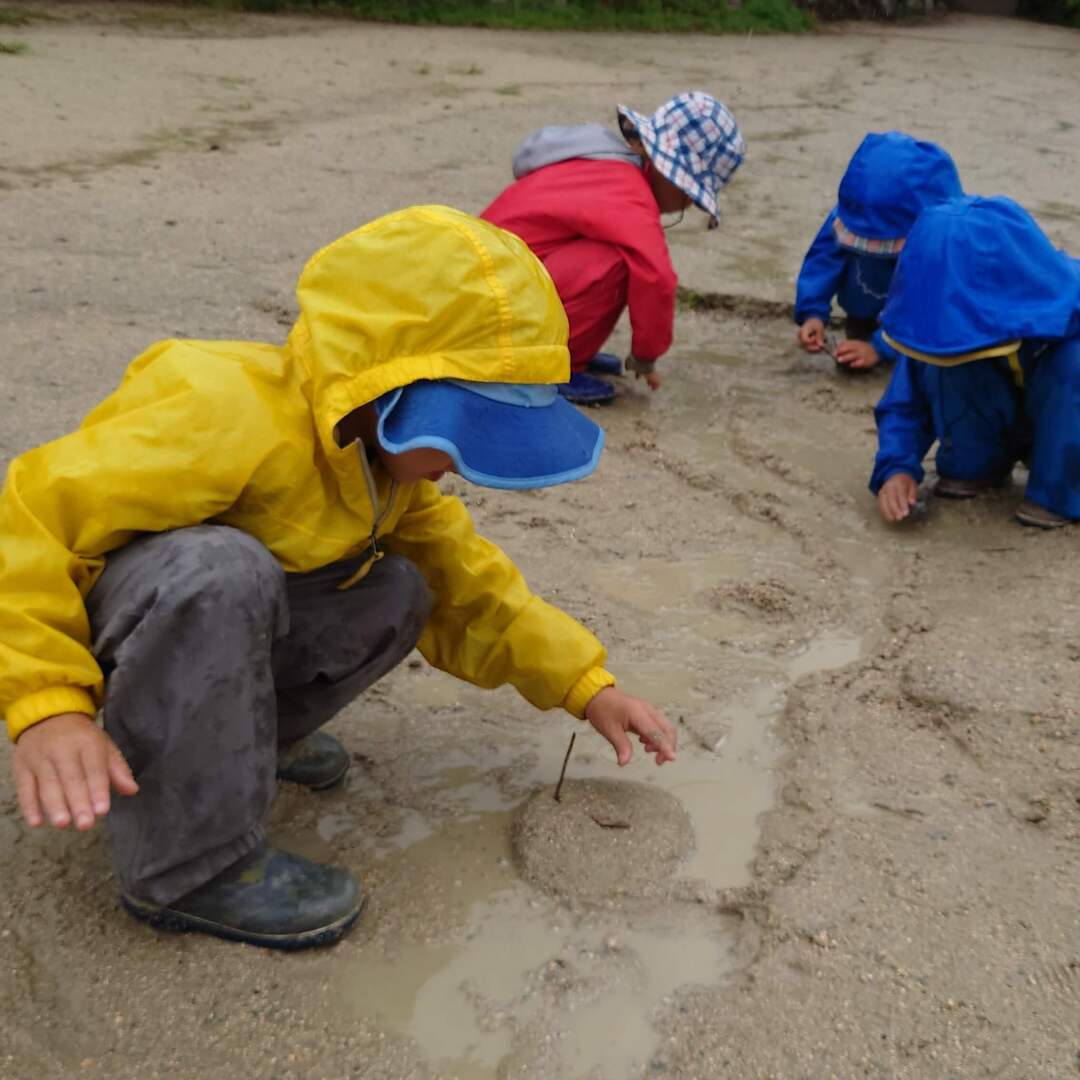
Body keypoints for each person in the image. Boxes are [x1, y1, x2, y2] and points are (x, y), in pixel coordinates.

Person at [1, 205, 678, 951]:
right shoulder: (225, 409)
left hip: (217, 632)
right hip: (137, 622)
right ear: (381, 391)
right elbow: (33, 517)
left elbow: (472, 585)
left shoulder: (384, 476)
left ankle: (244, 742)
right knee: (222, 569)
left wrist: (588, 687)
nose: (460, 462)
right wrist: (49, 705)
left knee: (404, 587)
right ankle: (184, 866)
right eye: (457, 432)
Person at [482, 90, 745, 405]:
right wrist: (646, 354)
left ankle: (561, 348)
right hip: (493, 307)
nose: (688, 203)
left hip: (486, 288)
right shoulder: (631, 194)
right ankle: (552, 367)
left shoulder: (606, 163)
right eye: (691, 194)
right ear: (665, 169)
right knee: (617, 262)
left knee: (611, 253)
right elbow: (657, 278)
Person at [870, 195, 1080, 529]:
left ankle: (1060, 492)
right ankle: (977, 465)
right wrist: (896, 468)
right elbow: (905, 400)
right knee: (946, 366)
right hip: (1005, 410)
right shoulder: (939, 320)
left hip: (1065, 423)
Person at [795, 131, 963, 371]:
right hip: (863, 311)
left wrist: (881, 348)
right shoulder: (853, 215)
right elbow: (823, 260)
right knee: (855, 356)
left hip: (922, 324)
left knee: (918, 365)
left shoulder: (943, 241)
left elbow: (938, 305)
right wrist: (812, 313)